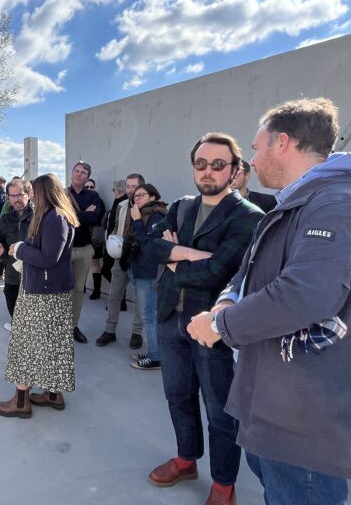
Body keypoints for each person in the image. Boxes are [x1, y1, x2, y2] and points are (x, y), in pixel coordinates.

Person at [188, 98, 351, 505]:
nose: (252, 160)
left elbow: (303, 295)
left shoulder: (338, 203)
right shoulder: (301, 202)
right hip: (277, 399)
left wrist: (219, 326)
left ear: (282, 142)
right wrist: (226, 302)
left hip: (307, 413)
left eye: (257, 148)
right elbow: (248, 271)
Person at [145, 133, 263, 505]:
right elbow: (149, 247)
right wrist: (191, 254)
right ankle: (186, 458)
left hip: (212, 328)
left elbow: (220, 273)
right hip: (168, 318)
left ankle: (224, 484)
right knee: (177, 396)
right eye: (201, 164)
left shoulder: (249, 217)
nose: (208, 171)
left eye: (217, 164)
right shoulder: (180, 206)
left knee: (219, 411)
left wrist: (173, 255)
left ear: (235, 169)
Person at [0, 173, 79, 418]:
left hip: (42, 294)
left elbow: (48, 258)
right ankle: (53, 395)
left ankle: (21, 402)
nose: (31, 197)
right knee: (51, 344)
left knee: (25, 344)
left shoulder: (54, 218)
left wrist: (20, 250)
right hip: (50, 291)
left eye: (34, 193)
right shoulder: (57, 216)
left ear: (44, 193)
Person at [96, 173, 146, 347]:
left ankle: (136, 333)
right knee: (114, 295)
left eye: (134, 186)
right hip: (121, 257)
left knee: (140, 299)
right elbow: (117, 226)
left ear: (142, 187)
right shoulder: (122, 205)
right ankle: (110, 331)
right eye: (128, 186)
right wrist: (113, 241)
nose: (130, 189)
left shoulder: (150, 206)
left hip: (140, 259)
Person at [125, 183, 167, 369]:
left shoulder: (156, 215)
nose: (137, 198)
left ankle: (156, 357)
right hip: (139, 270)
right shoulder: (145, 214)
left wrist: (135, 221)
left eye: (141, 195)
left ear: (152, 197)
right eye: (135, 196)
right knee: (147, 315)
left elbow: (150, 244)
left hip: (149, 273)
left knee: (149, 316)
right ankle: (153, 351)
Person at [67, 161, 105, 343]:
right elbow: (61, 217)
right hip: (62, 250)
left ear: (87, 177)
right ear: (72, 172)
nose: (79, 174)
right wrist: (83, 214)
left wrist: (73, 214)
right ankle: (59, 326)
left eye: (83, 172)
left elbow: (95, 217)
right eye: (77, 171)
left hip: (84, 250)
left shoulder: (93, 195)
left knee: (77, 290)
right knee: (59, 289)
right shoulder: (61, 194)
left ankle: (73, 326)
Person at [0, 178, 33, 330]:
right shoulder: (5, 219)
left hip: (33, 271)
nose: (16, 199)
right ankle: (18, 325)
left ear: (29, 194)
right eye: (12, 196)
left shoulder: (39, 217)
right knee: (11, 296)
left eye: (20, 195)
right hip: (12, 271)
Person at [84, 178, 107, 300]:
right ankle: (81, 285)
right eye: (86, 187)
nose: (89, 189)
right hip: (82, 236)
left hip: (95, 237)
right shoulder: (81, 201)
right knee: (81, 261)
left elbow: (99, 219)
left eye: (91, 187)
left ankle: (96, 290)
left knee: (95, 263)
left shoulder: (99, 201)